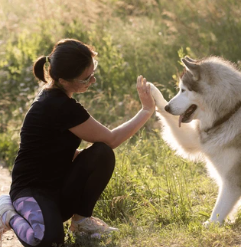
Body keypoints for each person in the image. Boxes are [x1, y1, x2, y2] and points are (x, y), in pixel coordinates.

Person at [0, 38, 155, 247]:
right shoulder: (58, 106)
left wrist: (81, 160)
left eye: (93, 73)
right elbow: (113, 138)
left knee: (101, 153)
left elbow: (56, 147)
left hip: (58, 190)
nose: (92, 81)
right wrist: (146, 111)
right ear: (63, 80)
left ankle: (81, 221)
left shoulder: (58, 98)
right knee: (47, 241)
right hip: (31, 193)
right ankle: (7, 213)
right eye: (86, 78)